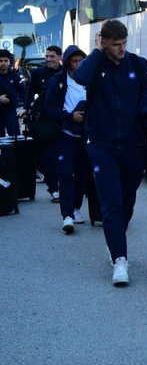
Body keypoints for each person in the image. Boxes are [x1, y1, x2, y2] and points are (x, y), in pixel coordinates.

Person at [73, 20, 147, 287]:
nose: (122, 49)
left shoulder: (138, 65)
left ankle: (115, 239)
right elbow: (80, 77)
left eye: (124, 43)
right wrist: (97, 53)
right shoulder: (95, 64)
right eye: (116, 44)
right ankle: (120, 259)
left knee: (127, 201)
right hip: (102, 145)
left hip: (132, 146)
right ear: (104, 43)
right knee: (111, 203)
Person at [43, 45, 88, 234]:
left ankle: (76, 207)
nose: (77, 65)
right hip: (65, 135)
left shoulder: (89, 80)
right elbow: (49, 107)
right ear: (68, 62)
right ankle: (67, 215)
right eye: (74, 61)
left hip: (85, 135)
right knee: (66, 174)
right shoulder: (58, 80)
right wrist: (70, 116)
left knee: (82, 174)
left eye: (80, 61)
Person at [25, 45, 63, 201]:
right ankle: (54, 189)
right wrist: (26, 109)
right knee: (48, 155)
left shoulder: (66, 73)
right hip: (45, 122)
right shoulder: (38, 73)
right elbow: (30, 93)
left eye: (52, 56)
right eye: (47, 56)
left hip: (63, 119)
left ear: (60, 57)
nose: (48, 59)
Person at [0, 49, 26, 137]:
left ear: (9, 61)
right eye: (0, 61)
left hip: (11, 111)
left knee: (15, 137)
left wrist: (26, 107)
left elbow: (24, 93)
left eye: (5, 61)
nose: (3, 63)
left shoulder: (14, 76)